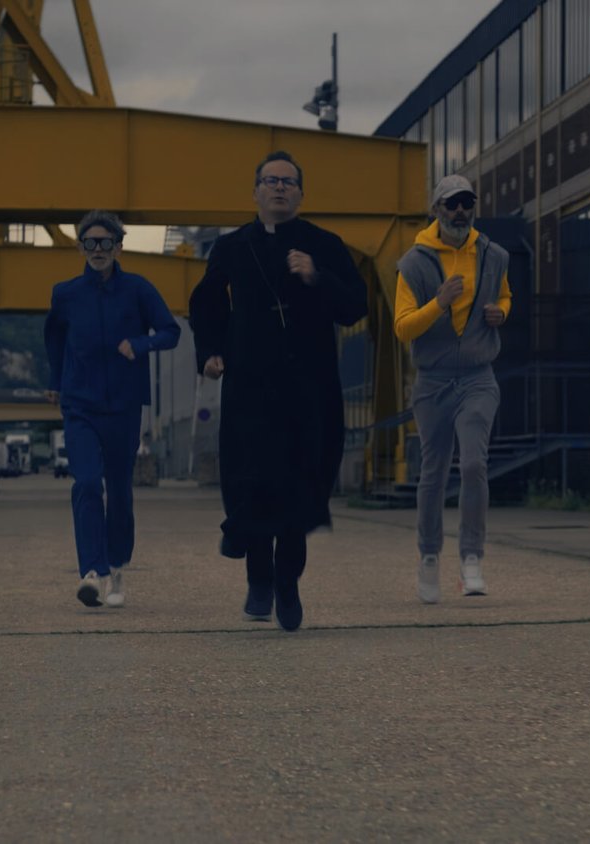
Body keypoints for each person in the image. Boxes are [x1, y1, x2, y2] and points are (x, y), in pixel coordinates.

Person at [188, 151, 368, 631]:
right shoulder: (231, 247)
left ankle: (287, 583)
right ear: (255, 192)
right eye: (271, 181)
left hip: (308, 389)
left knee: (298, 487)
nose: (280, 188)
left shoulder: (324, 245)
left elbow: (356, 305)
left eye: (288, 182)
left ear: (301, 194)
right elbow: (206, 303)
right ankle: (258, 578)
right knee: (252, 482)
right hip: (250, 387)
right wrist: (210, 351)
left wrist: (316, 276)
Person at [45, 210, 181, 609]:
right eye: (90, 242)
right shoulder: (66, 294)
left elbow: (170, 331)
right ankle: (91, 572)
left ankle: (117, 566)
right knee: (87, 483)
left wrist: (140, 344)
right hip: (80, 404)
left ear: (119, 247)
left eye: (106, 242)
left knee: (119, 490)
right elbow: (54, 339)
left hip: (124, 404)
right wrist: (55, 381)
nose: (98, 249)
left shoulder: (138, 289)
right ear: (80, 247)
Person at [393, 175, 512, 604]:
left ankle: (472, 559)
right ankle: (429, 556)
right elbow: (403, 327)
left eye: (467, 203)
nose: (460, 211)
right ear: (436, 210)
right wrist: (439, 302)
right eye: (451, 204)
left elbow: (505, 296)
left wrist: (501, 312)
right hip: (433, 382)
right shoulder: (413, 263)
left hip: (478, 377)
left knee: (475, 463)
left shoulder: (494, 255)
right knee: (434, 471)